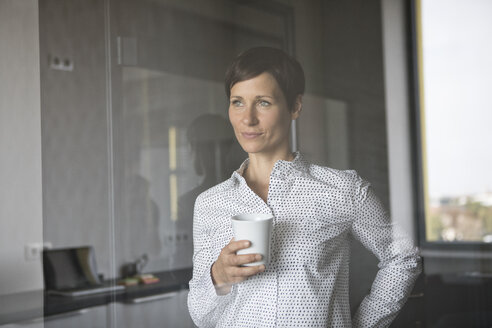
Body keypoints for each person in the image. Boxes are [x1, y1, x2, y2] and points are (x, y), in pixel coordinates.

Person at [187, 47, 421, 327]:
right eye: (237, 102)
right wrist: (219, 277)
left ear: (295, 106)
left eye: (262, 102)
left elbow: (403, 256)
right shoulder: (210, 203)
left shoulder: (343, 190)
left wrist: (361, 325)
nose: (247, 119)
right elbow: (201, 315)